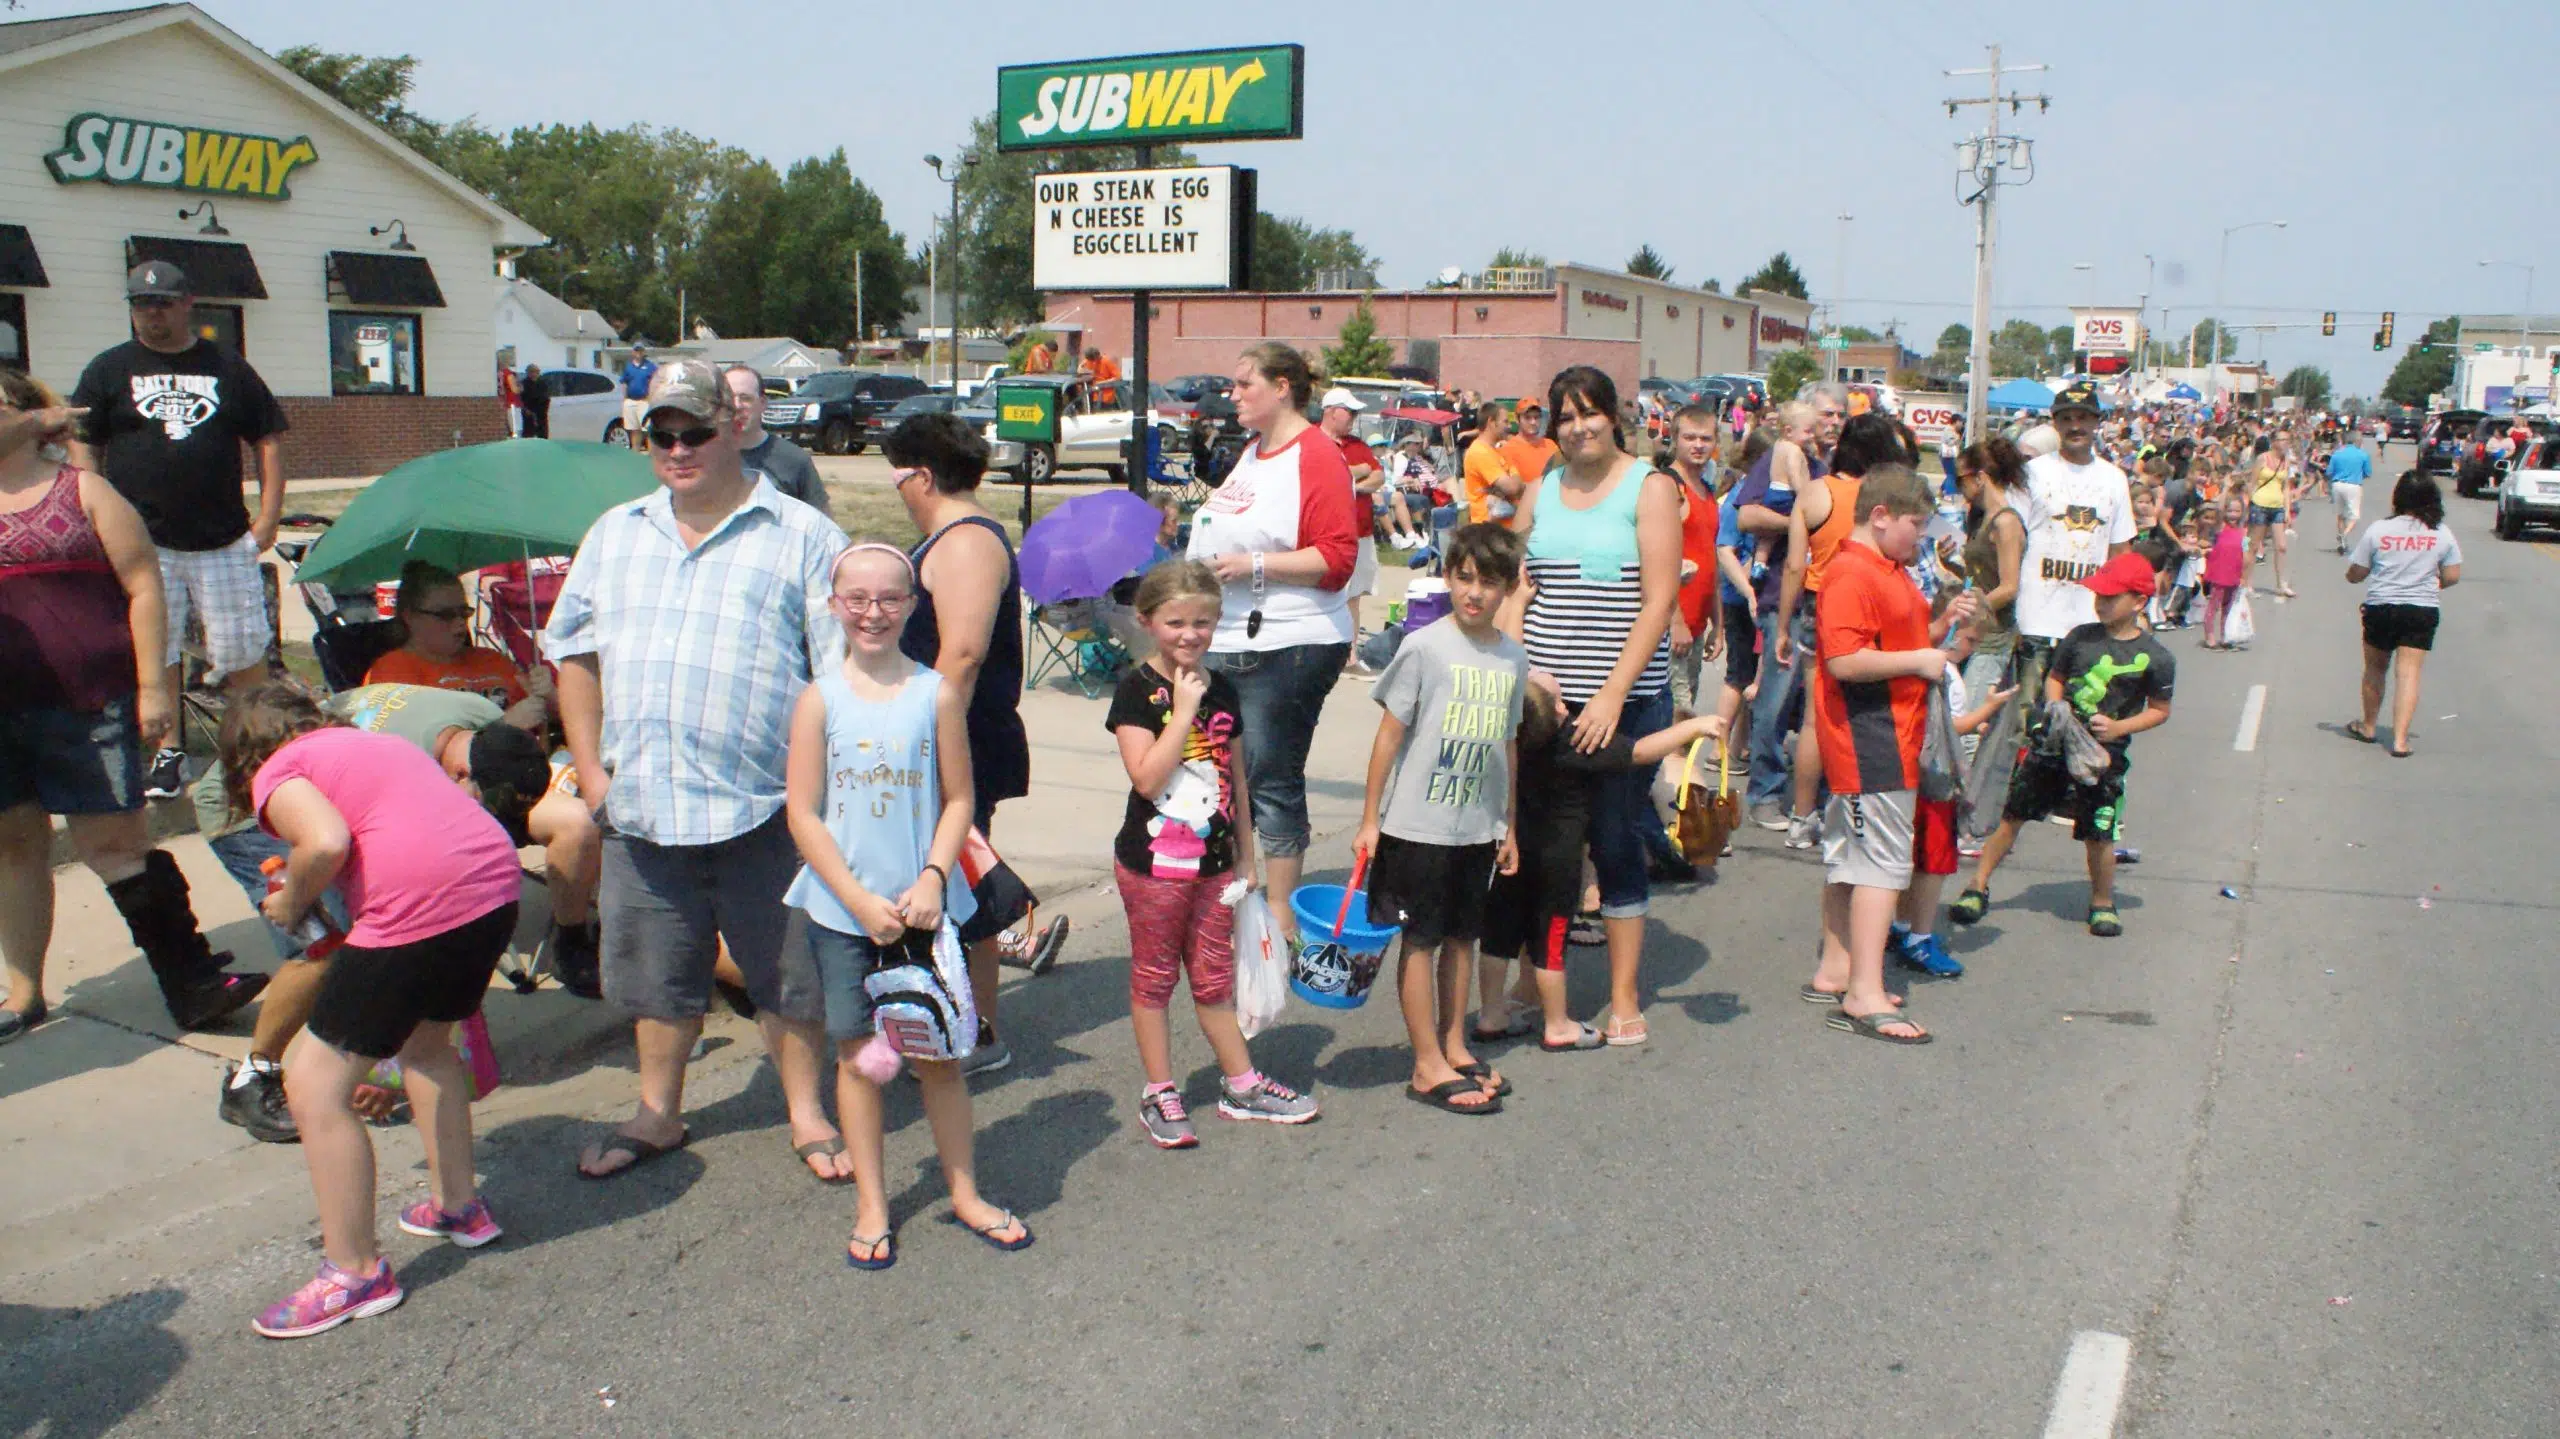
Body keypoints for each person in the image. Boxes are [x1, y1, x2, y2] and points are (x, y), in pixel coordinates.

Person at [545, 359, 854, 1183]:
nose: (677, 448)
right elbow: (572, 652)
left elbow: (837, 680)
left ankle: (807, 1111)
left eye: (694, 432)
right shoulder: (615, 534)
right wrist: (590, 769)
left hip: (766, 809)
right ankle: (659, 1112)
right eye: (661, 434)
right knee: (656, 977)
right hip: (642, 806)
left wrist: (821, 800)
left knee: (789, 973)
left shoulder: (804, 536)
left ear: (735, 428)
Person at [220, 686, 523, 1339]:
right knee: (427, 1045)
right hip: (494, 885)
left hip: (420, 904)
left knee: (311, 1084)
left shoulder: (281, 768)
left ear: (246, 758)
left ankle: (354, 1271)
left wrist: (289, 901)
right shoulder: (371, 741)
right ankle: (458, 1205)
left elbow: (324, 841)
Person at [188, 681, 585, 1141]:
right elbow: (342, 864)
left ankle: (380, 1082)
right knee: (324, 946)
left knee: (389, 937)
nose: (472, 800)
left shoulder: (471, 716)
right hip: (248, 804)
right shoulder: (379, 750)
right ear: (459, 767)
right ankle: (253, 1076)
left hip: (319, 801)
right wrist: (383, 1064)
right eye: (471, 787)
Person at [0, 369, 265, 1044]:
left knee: (113, 843)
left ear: (32, 417)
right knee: (12, 844)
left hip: (88, 700)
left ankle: (193, 981)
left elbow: (145, 584)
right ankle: (23, 991)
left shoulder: (83, 491)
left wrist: (153, 688)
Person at [784, 543, 1030, 1268]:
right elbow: (803, 813)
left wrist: (931, 878)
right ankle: (873, 1202)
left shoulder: (935, 694)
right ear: (834, 606)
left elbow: (958, 798)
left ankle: (964, 1191)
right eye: (857, 598)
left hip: (926, 912)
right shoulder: (820, 699)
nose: (873, 611)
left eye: (890, 597)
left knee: (940, 1057)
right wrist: (857, 900)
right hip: (842, 913)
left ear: (912, 606)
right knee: (860, 1058)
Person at [1108, 560, 1319, 1147]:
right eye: (1175, 622)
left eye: (1202, 622)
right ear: (1147, 621)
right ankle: (1160, 1090)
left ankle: (1242, 1082)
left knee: (1214, 977)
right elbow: (1148, 779)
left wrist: (1246, 859)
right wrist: (1180, 707)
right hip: (1153, 868)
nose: (1189, 635)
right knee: (1154, 978)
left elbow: (1238, 779)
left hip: (1215, 866)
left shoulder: (1221, 688)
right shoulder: (1137, 692)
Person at [68, 260, 289, 797]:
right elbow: (84, 439)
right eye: (143, 305)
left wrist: (268, 516)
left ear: (188, 303)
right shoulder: (109, 369)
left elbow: (269, 437)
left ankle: (256, 752)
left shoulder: (226, 366)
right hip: (143, 543)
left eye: (163, 303)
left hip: (220, 537)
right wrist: (92, 508)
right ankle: (167, 755)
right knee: (156, 650)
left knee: (242, 649)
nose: (153, 314)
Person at [1509, 365, 1681, 1047]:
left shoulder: (1650, 487)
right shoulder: (1541, 489)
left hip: (1625, 700)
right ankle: (1531, 981)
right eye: (1566, 416)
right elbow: (1513, 578)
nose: (1578, 427)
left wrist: (1611, 693)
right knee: (1545, 846)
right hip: (1543, 702)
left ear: (1615, 417)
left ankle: (1622, 994)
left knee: (1614, 840)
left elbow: (1659, 601)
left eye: (1590, 413)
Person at [1184, 343, 1361, 948]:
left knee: (1270, 774)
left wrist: (1252, 565)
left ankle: (1282, 912)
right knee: (1223, 771)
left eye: (1243, 383)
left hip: (1290, 642)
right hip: (1229, 637)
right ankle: (1239, 887)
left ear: (1282, 386)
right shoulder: (1253, 452)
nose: (1232, 394)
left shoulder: (1317, 455)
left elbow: (1338, 559)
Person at [891, 411, 1049, 1072]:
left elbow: (960, 654)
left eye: (898, 473)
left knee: (963, 881)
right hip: (941, 739)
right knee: (947, 880)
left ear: (923, 475)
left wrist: (915, 746)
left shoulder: (964, 542)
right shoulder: (954, 538)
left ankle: (979, 1030)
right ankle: (947, 1017)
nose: (896, 486)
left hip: (952, 745)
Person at [1353, 524, 1528, 1115]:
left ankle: (1454, 1044)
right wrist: (1370, 819)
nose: (1474, 593)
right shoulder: (1424, 646)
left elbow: (1507, 745)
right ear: (1449, 577)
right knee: (1422, 942)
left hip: (1477, 828)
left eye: (1489, 582)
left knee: (1462, 940)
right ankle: (1425, 1062)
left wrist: (1509, 825)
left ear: (1508, 589)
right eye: (1464, 578)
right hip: (1416, 827)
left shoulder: (1512, 656)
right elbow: (1388, 735)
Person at [1480, 671, 1721, 1051]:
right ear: (1559, 715)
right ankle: (1558, 1025)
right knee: (1550, 946)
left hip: (1510, 857)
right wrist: (1695, 727)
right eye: (1561, 700)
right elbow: (1641, 750)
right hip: (1558, 869)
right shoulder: (1576, 743)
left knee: (1498, 938)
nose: (1568, 705)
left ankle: (1491, 1014)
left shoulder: (1509, 747)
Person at [1802, 463, 1959, 1044]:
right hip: (1873, 738)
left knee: (1852, 860)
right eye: (1916, 524)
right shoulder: (1851, 571)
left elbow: (1892, 639)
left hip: (1883, 736)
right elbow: (1844, 662)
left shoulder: (1881, 567)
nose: (1921, 536)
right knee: (1882, 866)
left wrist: (1937, 635)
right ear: (1881, 516)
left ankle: (1840, 970)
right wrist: (1921, 661)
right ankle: (1864, 992)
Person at [1950, 553, 2173, 938]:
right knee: (2014, 814)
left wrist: (2119, 726)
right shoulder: (2079, 637)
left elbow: (2159, 710)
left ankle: (2102, 901)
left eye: (2110, 597)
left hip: (2101, 756)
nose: (2100, 603)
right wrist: (2054, 707)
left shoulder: (2157, 658)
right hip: (2054, 744)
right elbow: (2056, 676)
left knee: (2100, 831)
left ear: (2138, 602)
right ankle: (1978, 885)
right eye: (2098, 596)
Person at [1772, 412, 1914, 850]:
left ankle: (1802, 816)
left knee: (1817, 717)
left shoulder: (1816, 493)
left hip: (1822, 605)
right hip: (1876, 606)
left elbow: (1795, 564)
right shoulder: (1887, 498)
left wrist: (1782, 625)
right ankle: (1860, 814)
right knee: (1869, 713)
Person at [1886, 593, 2014, 980]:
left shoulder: (1917, 661)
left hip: (1907, 770)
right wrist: (1987, 710)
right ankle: (1919, 937)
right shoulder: (1944, 672)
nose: (1971, 650)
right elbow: (1950, 726)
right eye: (1971, 641)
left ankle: (1902, 925)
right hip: (1935, 777)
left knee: (1908, 860)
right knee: (1933, 864)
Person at [2012, 382, 2134, 713]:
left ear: (2097, 423)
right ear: (2055, 423)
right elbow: (2011, 540)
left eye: (2083, 418)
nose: (2075, 426)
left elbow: (2121, 554)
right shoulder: (2032, 474)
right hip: (2035, 622)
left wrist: (2127, 616)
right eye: (2066, 419)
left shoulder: (2113, 479)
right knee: (2026, 722)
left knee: (2082, 718)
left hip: (2088, 625)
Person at [1734, 401, 1826, 827]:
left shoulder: (1832, 467)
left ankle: (1817, 793)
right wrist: (1797, 523)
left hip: (1827, 597)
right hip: (1780, 597)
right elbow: (1747, 514)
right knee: (1776, 693)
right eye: (1824, 416)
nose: (1830, 423)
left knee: (1819, 703)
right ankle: (1765, 792)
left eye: (1836, 416)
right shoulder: (1780, 457)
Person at [2344, 472, 2461, 758]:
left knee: (2375, 669)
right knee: (2409, 674)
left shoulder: (2380, 530)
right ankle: (2399, 739)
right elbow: (2453, 575)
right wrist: (2434, 583)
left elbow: (2356, 573)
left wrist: (2363, 573)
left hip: (2382, 606)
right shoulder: (2440, 532)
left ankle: (2369, 725)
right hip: (2421, 609)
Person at [364, 560, 551, 729]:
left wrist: (550, 695)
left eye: (464, 613)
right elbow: (416, 745)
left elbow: (548, 720)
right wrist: (504, 726)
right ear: (410, 617)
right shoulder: (392, 672)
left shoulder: (493, 660)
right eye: (445, 615)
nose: (460, 623)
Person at [1665, 404, 1727, 719]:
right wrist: (1674, 621)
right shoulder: (1668, 488)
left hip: (1698, 623)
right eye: (1690, 437)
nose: (1698, 445)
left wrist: (1719, 625)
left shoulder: (1706, 491)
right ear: (1675, 439)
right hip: (1671, 624)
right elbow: (1660, 561)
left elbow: (1710, 561)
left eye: (1705, 438)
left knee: (1686, 710)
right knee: (1678, 716)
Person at [720, 365, 828, 518]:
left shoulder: (794, 460)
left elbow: (823, 526)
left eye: (746, 398)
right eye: (730, 398)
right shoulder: (706, 455)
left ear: (763, 403)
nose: (737, 406)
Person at [2244, 430, 2300, 600]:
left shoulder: (2286, 462)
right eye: (2282, 440)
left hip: (2277, 506)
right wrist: (2248, 505)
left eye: (2287, 440)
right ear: (2274, 441)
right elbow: (2252, 483)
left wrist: (2287, 509)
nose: (2285, 443)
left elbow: (2285, 487)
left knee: (2281, 546)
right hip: (2260, 504)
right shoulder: (2263, 458)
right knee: (2254, 545)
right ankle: (2247, 583)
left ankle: (2281, 584)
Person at [2199, 496, 2249, 651]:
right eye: (2230, 511)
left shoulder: (2243, 531)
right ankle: (2209, 636)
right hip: (2219, 572)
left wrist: (2244, 577)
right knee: (2214, 605)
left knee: (2228, 607)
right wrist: (2226, 488)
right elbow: (2219, 510)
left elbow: (2246, 555)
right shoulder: (2221, 527)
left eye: (2237, 511)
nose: (2233, 514)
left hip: (2234, 573)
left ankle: (2225, 635)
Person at [1461, 404, 1522, 524]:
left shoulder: (1498, 450)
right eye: (1505, 421)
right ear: (1491, 422)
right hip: (1488, 533)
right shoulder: (1479, 452)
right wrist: (1514, 472)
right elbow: (1513, 488)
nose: (1509, 426)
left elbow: (1520, 488)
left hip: (1504, 529)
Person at [1496, 395, 1561, 503]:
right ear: (1517, 420)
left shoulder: (1551, 445)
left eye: (1536, 417)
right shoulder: (1507, 449)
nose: (1533, 422)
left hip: (1551, 505)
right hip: (1523, 509)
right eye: (1527, 418)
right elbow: (1508, 489)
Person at [2326, 432, 2373, 555]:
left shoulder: (2337, 454)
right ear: (2357, 441)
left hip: (2337, 484)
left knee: (2340, 514)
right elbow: (2368, 473)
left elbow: (2329, 472)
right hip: (2354, 485)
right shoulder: (2363, 455)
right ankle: (2344, 535)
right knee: (2354, 515)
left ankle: (2342, 542)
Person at [616, 345, 656, 452]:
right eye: (636, 350)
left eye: (640, 351)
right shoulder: (629, 367)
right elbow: (624, 382)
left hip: (644, 401)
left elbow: (656, 381)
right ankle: (636, 454)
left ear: (643, 352)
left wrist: (651, 396)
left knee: (647, 429)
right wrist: (624, 399)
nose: (638, 353)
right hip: (631, 401)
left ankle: (652, 454)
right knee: (634, 430)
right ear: (633, 352)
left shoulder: (650, 366)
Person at [517, 364, 550, 440]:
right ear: (527, 373)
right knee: (528, 434)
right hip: (528, 412)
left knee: (543, 434)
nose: (534, 374)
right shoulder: (524, 383)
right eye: (531, 372)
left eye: (536, 372)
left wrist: (542, 410)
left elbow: (546, 398)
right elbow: (520, 398)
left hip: (541, 413)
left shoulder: (543, 383)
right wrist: (526, 409)